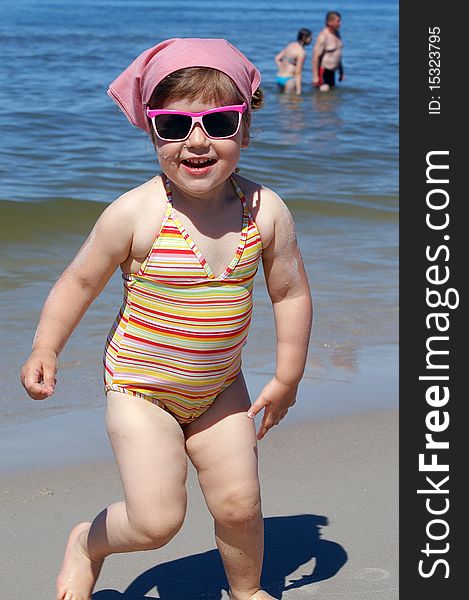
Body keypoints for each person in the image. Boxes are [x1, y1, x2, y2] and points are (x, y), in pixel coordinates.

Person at [20, 38, 313, 600]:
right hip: (140, 386)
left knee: (239, 503)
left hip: (221, 387)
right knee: (156, 522)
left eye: (219, 121)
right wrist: (46, 346)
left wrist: (287, 376)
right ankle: (87, 542)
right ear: (152, 132)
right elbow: (80, 281)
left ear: (245, 131)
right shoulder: (137, 214)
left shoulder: (266, 211)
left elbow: (291, 293)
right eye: (175, 125)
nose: (197, 141)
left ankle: (246, 590)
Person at [312, 11, 344, 91]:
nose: (340, 23)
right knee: (323, 98)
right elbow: (315, 57)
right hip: (323, 72)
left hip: (332, 72)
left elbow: (337, 53)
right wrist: (315, 77)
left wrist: (341, 71)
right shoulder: (323, 37)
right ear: (330, 22)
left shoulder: (337, 33)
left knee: (331, 98)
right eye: (338, 21)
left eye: (340, 21)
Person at [275, 28, 312, 95]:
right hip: (289, 80)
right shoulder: (302, 52)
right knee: (292, 104)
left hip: (279, 77)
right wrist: (299, 90)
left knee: (282, 102)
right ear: (304, 38)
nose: (311, 40)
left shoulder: (290, 45)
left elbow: (277, 58)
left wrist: (281, 68)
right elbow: (298, 72)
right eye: (310, 38)